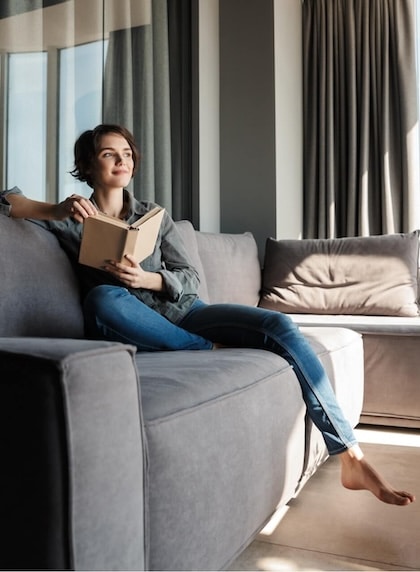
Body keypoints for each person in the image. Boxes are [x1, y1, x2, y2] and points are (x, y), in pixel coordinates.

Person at [0, 124, 415, 507]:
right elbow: (7, 200)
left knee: (280, 324)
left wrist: (149, 279)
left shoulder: (154, 216)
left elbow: (190, 279)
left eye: (126, 152)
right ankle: (207, 349)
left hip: (185, 312)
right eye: (109, 154)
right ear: (89, 166)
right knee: (102, 299)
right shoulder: (71, 221)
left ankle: (350, 453)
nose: (122, 160)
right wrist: (56, 210)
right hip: (126, 319)